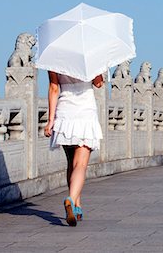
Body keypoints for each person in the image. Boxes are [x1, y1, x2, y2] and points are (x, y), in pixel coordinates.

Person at [44, 71, 104, 227]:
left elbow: (54, 88)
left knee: (71, 162)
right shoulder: (90, 59)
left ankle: (77, 206)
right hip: (85, 114)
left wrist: (50, 121)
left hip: (65, 114)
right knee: (80, 165)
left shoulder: (55, 58)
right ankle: (71, 198)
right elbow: (98, 83)